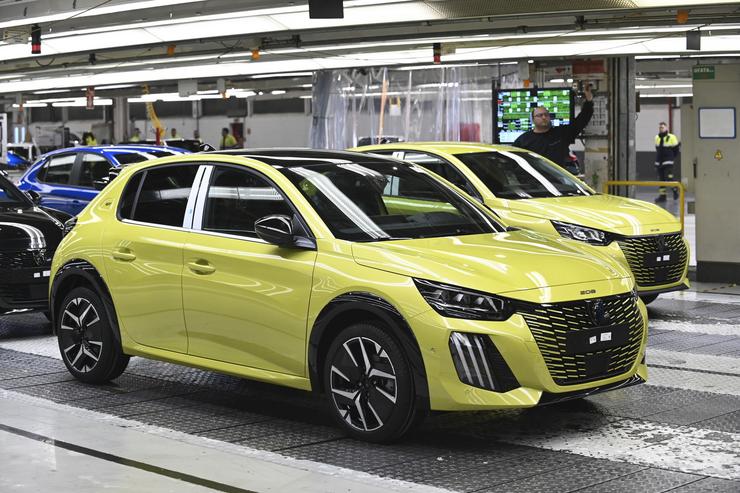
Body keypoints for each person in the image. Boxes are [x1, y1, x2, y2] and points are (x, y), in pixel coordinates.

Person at [514, 83, 594, 169]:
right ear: (532, 120)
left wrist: (589, 101)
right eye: (540, 115)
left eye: (546, 114)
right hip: (533, 181)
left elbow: (582, 120)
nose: (544, 117)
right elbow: (513, 161)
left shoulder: (562, 134)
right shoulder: (523, 140)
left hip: (556, 180)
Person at [654, 121, 680, 203]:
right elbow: (657, 150)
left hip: (668, 162)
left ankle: (675, 190)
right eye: (660, 127)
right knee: (661, 180)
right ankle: (662, 196)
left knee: (669, 178)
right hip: (659, 162)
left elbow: (676, 149)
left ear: (666, 128)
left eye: (662, 127)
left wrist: (671, 158)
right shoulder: (657, 137)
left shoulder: (671, 137)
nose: (661, 129)